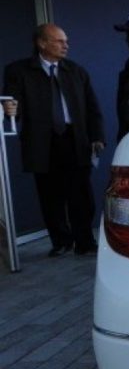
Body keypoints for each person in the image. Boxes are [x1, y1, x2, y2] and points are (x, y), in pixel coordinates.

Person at [2, 23, 105, 257]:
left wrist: (97, 136)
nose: (66, 45)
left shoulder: (76, 71)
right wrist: (8, 108)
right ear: (42, 43)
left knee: (81, 194)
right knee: (50, 196)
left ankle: (85, 241)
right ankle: (61, 241)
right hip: (42, 142)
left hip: (74, 139)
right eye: (59, 41)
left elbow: (92, 108)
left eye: (65, 41)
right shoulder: (18, 71)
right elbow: (13, 104)